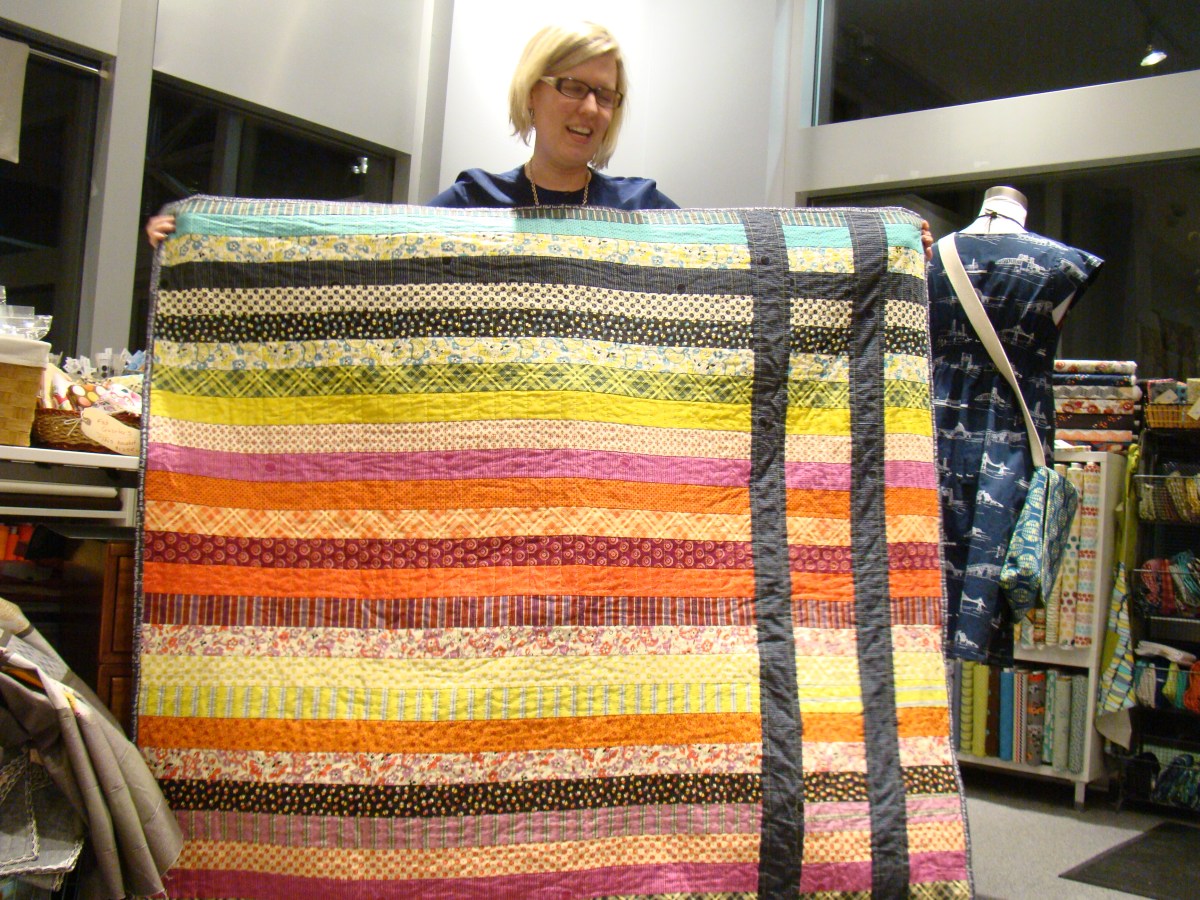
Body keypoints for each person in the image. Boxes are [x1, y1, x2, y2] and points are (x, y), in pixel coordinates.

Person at [147, 21, 933, 254]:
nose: (590, 108)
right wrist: (210, 235)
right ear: (534, 90)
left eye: (607, 95)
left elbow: (744, 254)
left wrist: (877, 243)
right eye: (573, 87)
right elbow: (364, 250)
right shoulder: (472, 201)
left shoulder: (640, 208)